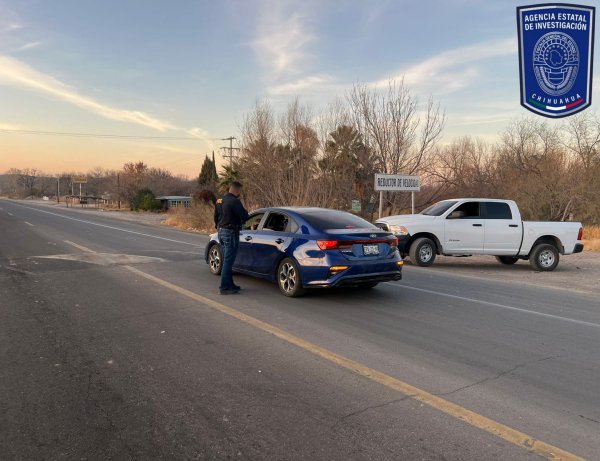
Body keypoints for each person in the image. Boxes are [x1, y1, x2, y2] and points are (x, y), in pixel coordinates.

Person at [214, 181, 249, 295]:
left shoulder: (219, 200)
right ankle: (224, 287)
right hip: (231, 233)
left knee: (226, 260)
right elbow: (244, 216)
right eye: (240, 191)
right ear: (237, 190)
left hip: (221, 232)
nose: (240, 193)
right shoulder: (235, 201)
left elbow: (215, 217)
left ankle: (230, 285)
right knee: (228, 261)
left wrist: (218, 226)